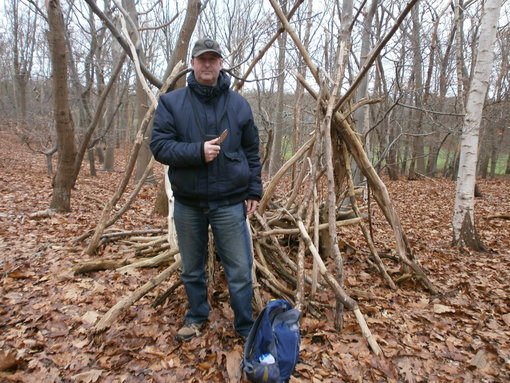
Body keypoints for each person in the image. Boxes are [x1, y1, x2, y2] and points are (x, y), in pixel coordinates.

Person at [150, 38, 262, 341]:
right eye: (202, 59)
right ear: (193, 63)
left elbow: (252, 151)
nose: (208, 64)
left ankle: (244, 325)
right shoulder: (172, 102)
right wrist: (196, 152)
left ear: (221, 63)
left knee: (240, 270)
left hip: (229, 203)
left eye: (213, 59)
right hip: (188, 203)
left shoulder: (239, 104)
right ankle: (197, 316)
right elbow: (159, 147)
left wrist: (254, 190)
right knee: (191, 269)